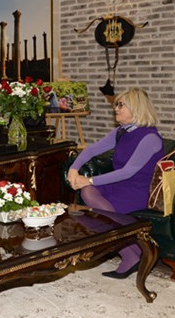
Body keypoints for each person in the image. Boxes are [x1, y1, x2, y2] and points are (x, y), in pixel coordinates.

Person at [67, 88, 163, 279]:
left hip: (137, 190)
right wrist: (73, 169)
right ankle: (134, 251)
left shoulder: (150, 137)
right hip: (118, 185)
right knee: (86, 194)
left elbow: (129, 171)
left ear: (136, 107)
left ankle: (130, 255)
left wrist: (90, 179)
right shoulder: (121, 132)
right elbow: (91, 150)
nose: (115, 108)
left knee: (95, 212)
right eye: (116, 104)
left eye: (120, 105)